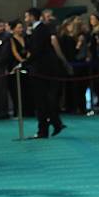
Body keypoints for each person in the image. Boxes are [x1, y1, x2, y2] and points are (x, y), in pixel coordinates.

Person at [24, 7, 66, 138]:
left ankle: (45, 128)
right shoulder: (38, 30)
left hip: (42, 70)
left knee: (42, 100)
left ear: (31, 16)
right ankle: (54, 123)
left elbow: (36, 51)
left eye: (26, 16)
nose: (25, 19)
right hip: (43, 69)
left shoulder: (40, 30)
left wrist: (23, 63)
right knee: (45, 100)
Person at [0, 18, 11, 119]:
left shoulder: (6, 37)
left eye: (1, 26)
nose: (0, 28)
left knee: (2, 90)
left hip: (1, 68)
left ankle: (3, 112)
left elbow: (4, 54)